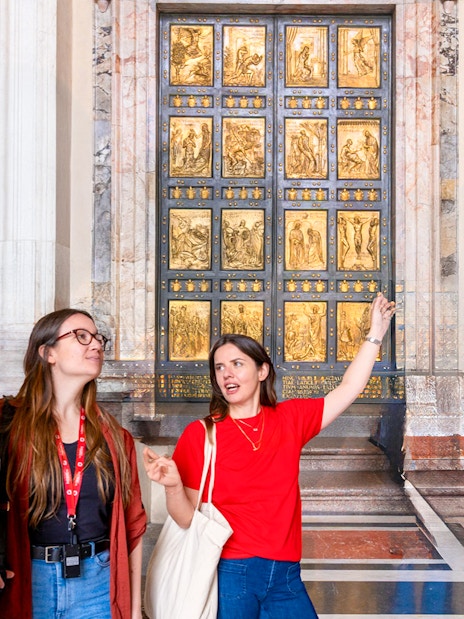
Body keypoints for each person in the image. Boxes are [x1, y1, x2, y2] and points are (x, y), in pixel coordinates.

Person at [143, 293, 395, 618]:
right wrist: (173, 486)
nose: (227, 374)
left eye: (237, 364)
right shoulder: (202, 434)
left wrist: (375, 334)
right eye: (219, 368)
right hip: (231, 572)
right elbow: (185, 518)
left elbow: (347, 389)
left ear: (262, 371)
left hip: (286, 573)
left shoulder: (289, 419)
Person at [0, 309, 146, 619]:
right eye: (81, 336)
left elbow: (133, 526)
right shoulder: (7, 423)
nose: (95, 345)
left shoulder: (116, 438)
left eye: (98, 338)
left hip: (97, 584)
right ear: (47, 352)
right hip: (27, 580)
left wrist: (133, 610)